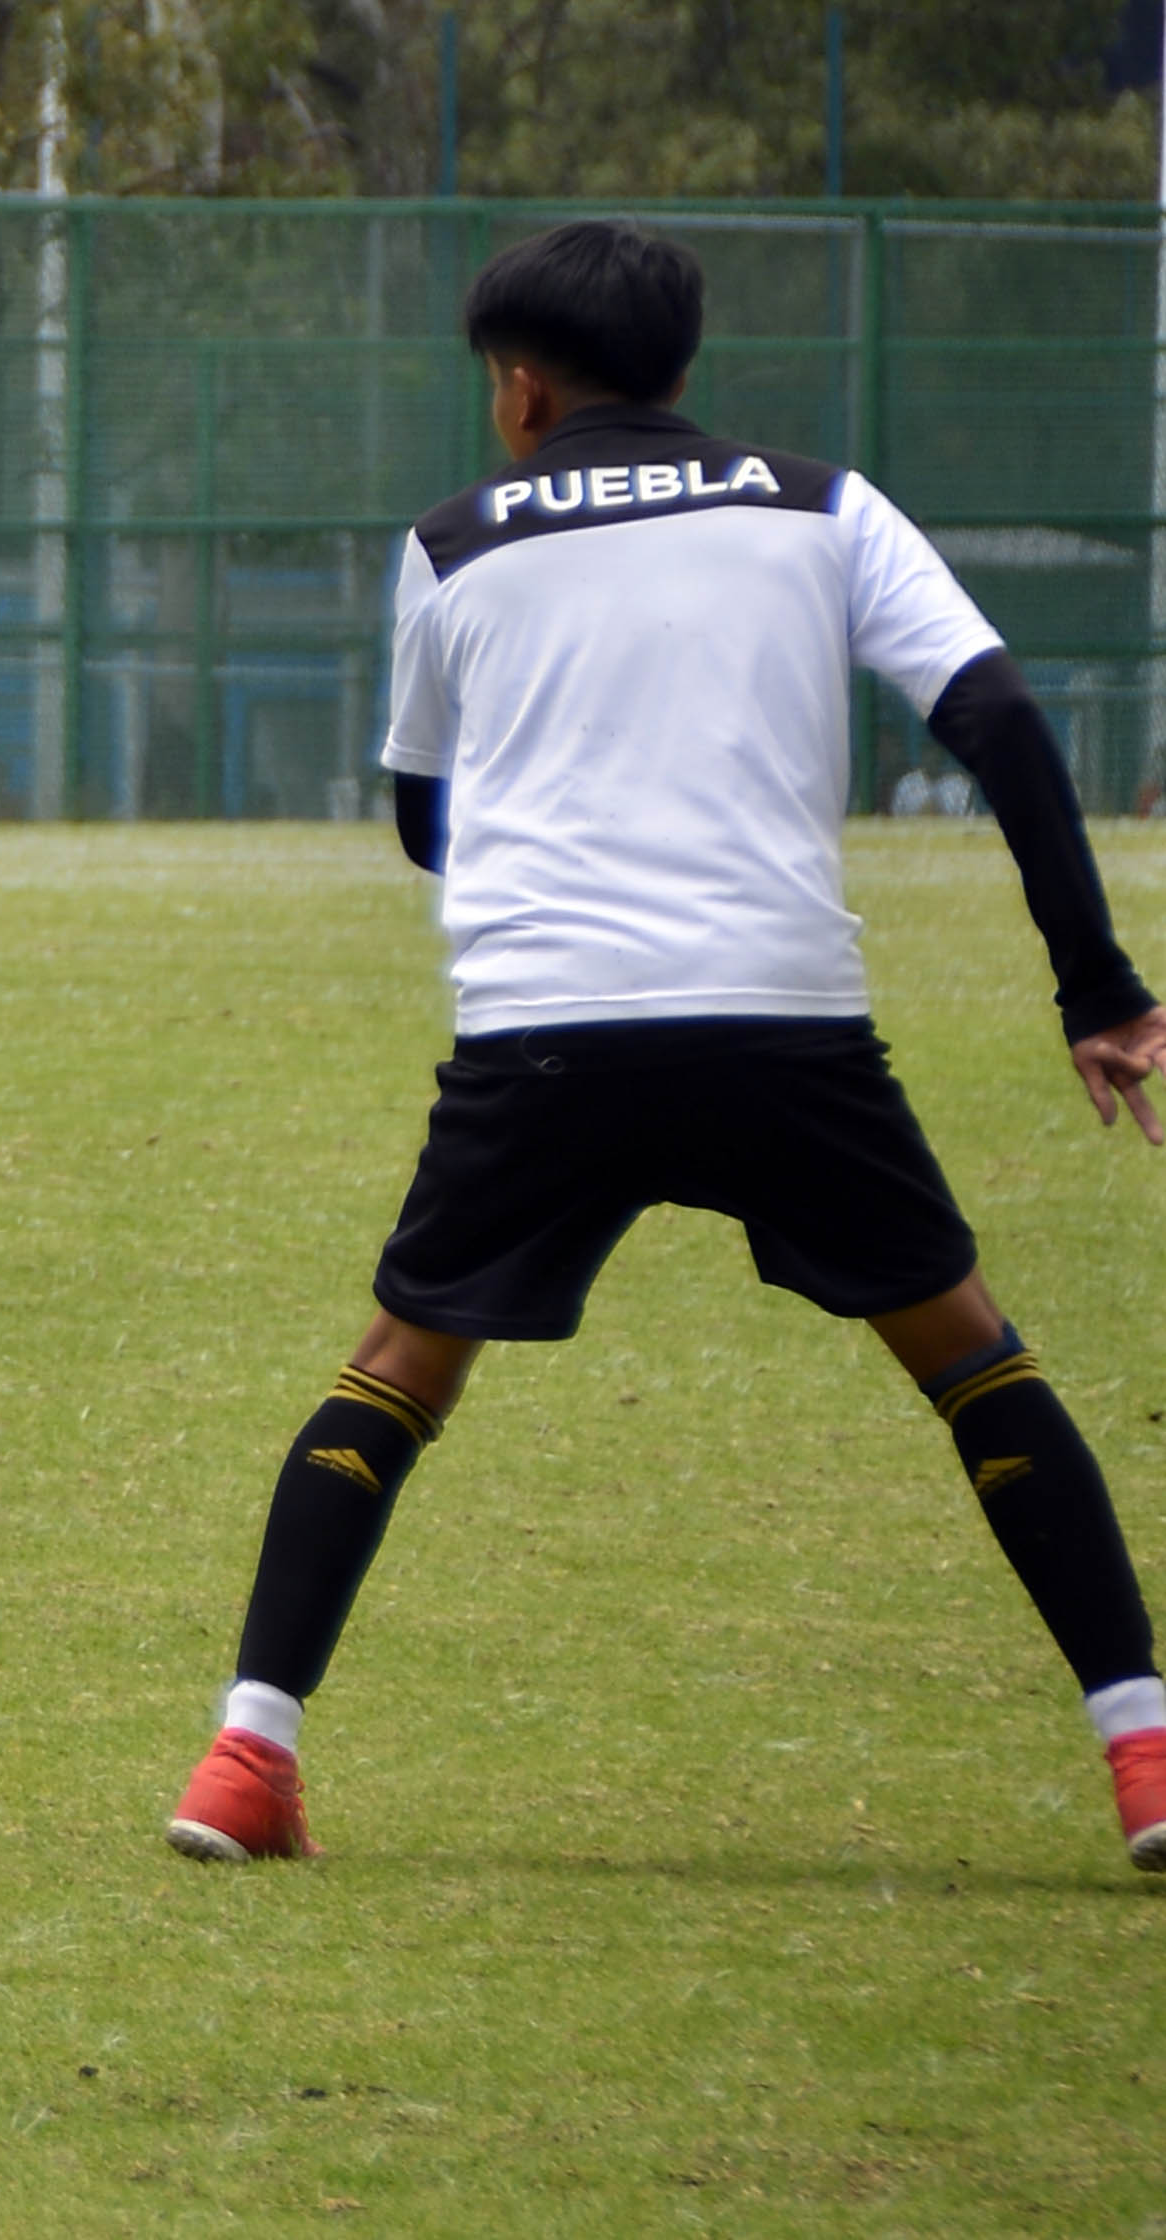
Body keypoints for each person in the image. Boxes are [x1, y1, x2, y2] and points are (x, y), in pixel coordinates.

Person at [165, 219, 1166, 1873]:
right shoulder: (821, 504)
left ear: (521, 391)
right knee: (973, 1358)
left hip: (544, 1034)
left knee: (396, 1373)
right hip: (781, 1027)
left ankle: (242, 1761)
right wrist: (1098, 990)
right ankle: (1142, 1758)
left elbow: (429, 818)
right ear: (689, 375)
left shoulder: (452, 542)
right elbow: (991, 716)